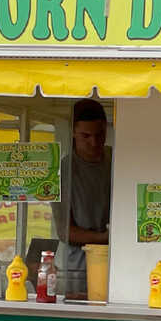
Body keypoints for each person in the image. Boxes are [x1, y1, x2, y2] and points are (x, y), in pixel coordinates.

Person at [53, 99, 111, 296]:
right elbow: (66, 232)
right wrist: (106, 238)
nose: (94, 142)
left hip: (116, 266)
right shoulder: (64, 171)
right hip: (75, 270)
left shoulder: (118, 160)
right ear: (73, 133)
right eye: (86, 136)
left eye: (99, 134)